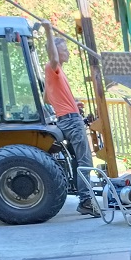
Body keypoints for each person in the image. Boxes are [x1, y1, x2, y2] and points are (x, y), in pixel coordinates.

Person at [42, 20, 100, 217]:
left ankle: (85, 197)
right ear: (56, 53)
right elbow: (53, 57)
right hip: (71, 120)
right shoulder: (53, 67)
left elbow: (46, 97)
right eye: (64, 49)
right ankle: (86, 201)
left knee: (80, 160)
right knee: (85, 160)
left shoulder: (54, 74)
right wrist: (49, 31)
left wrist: (72, 103)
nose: (67, 52)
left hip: (68, 116)